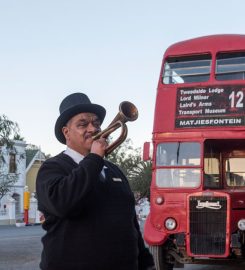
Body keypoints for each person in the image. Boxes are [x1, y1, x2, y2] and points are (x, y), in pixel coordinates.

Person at [36, 92, 155, 270]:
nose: (93, 129)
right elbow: (63, 203)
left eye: (96, 123)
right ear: (66, 132)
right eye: (83, 124)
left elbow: (130, 223)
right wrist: (94, 159)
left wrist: (147, 264)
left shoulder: (114, 170)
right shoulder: (51, 168)